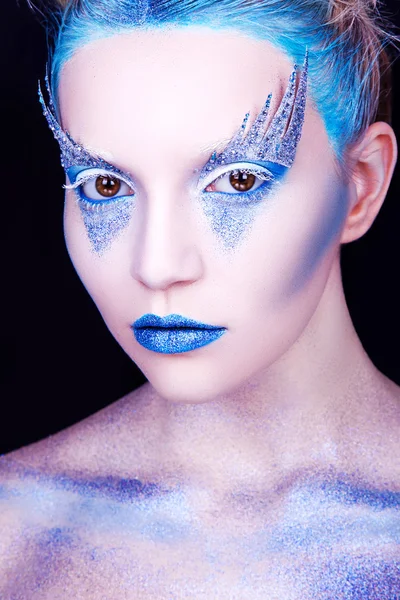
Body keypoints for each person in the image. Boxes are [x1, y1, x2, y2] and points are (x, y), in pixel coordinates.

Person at [1, 0, 399, 597]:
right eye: (105, 186)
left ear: (361, 186)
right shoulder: (13, 530)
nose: (156, 264)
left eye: (237, 180)